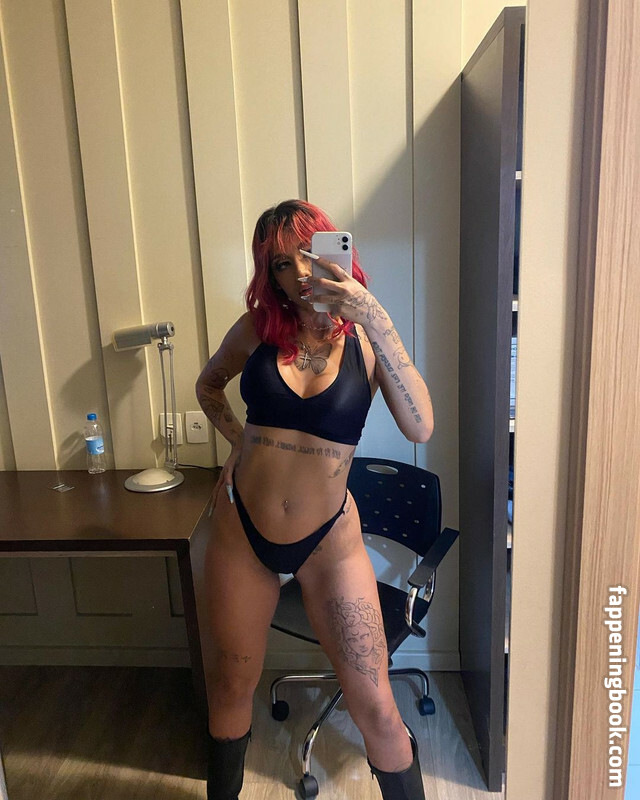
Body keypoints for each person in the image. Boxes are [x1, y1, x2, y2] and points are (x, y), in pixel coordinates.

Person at [195, 199, 434, 800]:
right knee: (230, 688)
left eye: (310, 252)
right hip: (243, 533)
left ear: (336, 252)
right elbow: (208, 385)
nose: (300, 272)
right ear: (269, 275)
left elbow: (421, 426)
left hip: (329, 541)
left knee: (376, 705)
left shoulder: (367, 340)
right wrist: (239, 441)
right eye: (282, 263)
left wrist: (372, 314)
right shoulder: (255, 331)